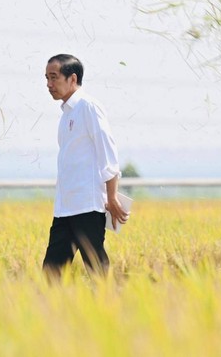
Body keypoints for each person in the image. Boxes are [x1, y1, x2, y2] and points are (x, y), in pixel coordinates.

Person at [42, 54, 128, 277]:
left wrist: (112, 197)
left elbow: (107, 151)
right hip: (65, 209)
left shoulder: (88, 107)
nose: (49, 85)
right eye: (46, 79)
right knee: (51, 273)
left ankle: (114, 307)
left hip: (88, 206)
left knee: (97, 270)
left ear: (72, 78)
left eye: (54, 77)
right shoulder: (66, 114)